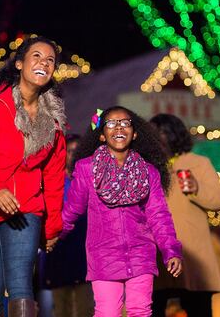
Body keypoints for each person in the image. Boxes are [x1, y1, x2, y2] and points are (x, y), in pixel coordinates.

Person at [0, 36, 67, 317]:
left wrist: (52, 226)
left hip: (26, 209)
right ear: (19, 64)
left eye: (50, 60)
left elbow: (54, 177)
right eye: (37, 56)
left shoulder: (53, 120)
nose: (44, 62)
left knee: (20, 288)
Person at [62, 106, 182, 317]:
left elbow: (159, 215)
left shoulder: (149, 172)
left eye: (125, 123)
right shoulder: (86, 169)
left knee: (140, 311)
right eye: (111, 123)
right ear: (101, 135)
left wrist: (171, 251)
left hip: (140, 254)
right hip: (103, 257)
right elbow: (72, 210)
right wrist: (50, 235)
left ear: (134, 133)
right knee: (107, 312)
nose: (119, 127)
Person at [149, 114, 220, 317]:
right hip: (157, 260)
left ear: (175, 135)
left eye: (164, 132)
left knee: (199, 311)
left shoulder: (198, 163)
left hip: (193, 262)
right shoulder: (147, 167)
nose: (159, 138)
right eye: (153, 133)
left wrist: (197, 187)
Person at [37, 134, 94, 317]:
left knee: (86, 309)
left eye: (78, 151)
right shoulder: (53, 182)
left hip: (85, 255)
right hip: (59, 253)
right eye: (70, 151)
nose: (74, 155)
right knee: (61, 310)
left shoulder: (91, 181)